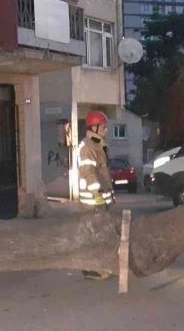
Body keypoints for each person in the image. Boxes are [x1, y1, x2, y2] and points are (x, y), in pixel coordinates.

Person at [77, 110, 115, 280]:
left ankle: (98, 266)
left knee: (99, 233)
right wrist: (98, 195)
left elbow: (103, 172)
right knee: (92, 234)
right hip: (92, 200)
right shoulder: (88, 147)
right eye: (104, 127)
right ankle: (90, 268)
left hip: (99, 198)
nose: (106, 130)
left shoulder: (98, 145)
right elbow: (88, 172)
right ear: (95, 127)